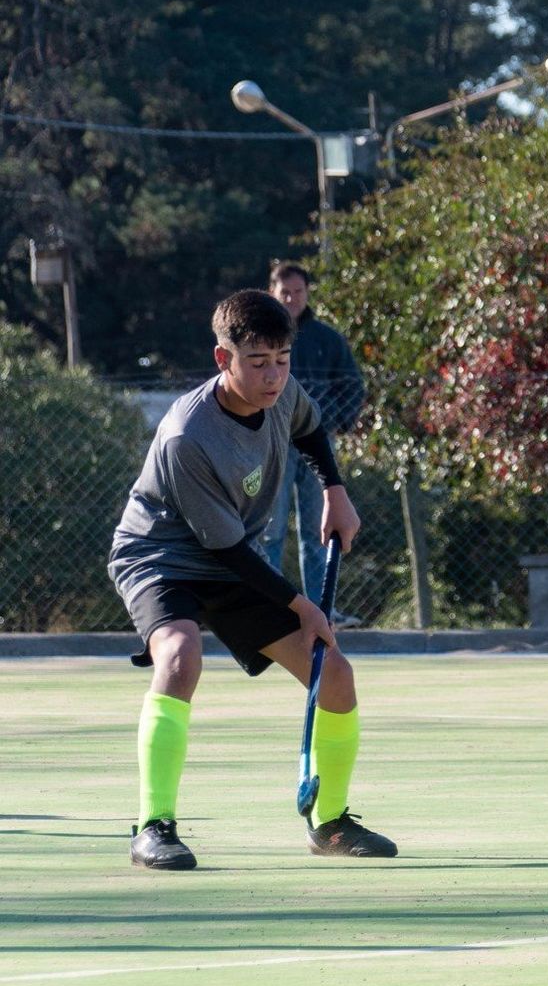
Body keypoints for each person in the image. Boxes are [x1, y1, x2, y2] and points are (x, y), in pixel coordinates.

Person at [108, 289, 396, 870]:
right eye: (258, 362)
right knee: (180, 657)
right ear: (224, 359)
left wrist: (335, 492)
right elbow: (229, 551)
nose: (273, 376)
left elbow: (311, 429)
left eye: (282, 359)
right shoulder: (188, 436)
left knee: (334, 674)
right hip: (160, 558)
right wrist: (305, 609)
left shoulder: (282, 391)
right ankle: (153, 826)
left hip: (229, 555)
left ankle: (330, 822)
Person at [262, 261, 366, 626]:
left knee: (319, 529)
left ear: (307, 294)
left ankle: (323, 611)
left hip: (317, 450)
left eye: (298, 292)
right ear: (272, 293)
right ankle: (269, 608)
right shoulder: (259, 340)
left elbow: (353, 384)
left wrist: (335, 421)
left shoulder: (327, 339)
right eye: (284, 292)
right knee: (269, 529)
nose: (291, 299)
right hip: (272, 445)